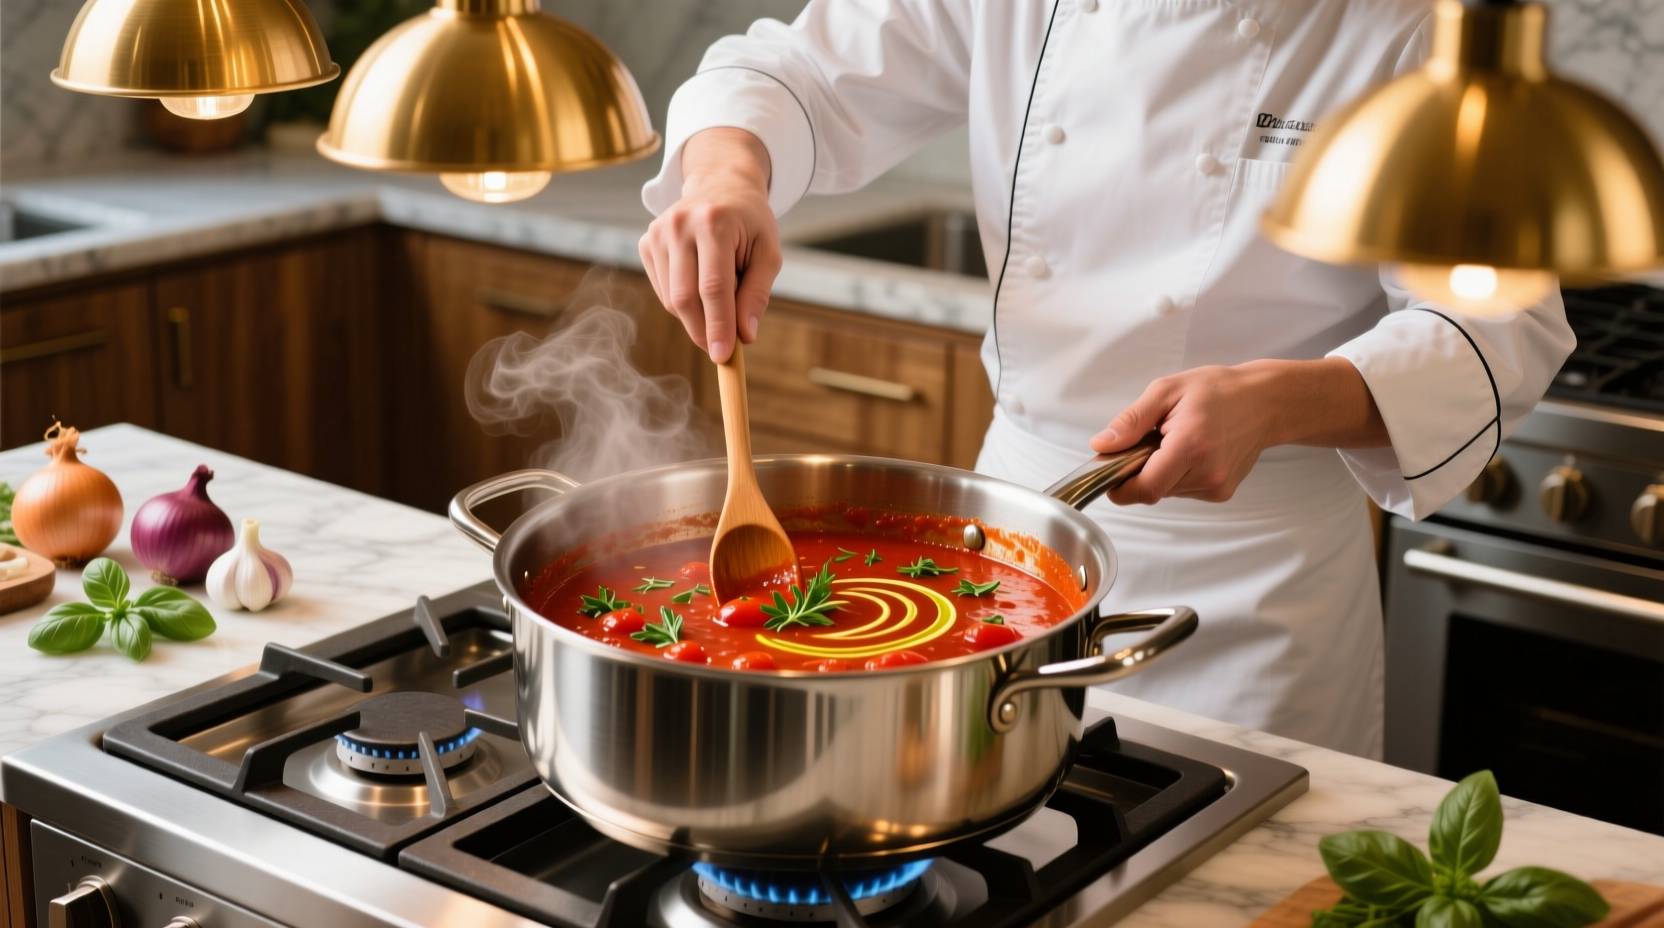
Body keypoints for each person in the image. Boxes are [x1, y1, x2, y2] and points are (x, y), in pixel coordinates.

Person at [635, 0, 1574, 758]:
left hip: (1257, 597)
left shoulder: (1418, 29)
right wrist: (726, 177)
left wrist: (1277, 402)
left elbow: (1500, 327)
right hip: (1006, 546)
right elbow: (793, 71)